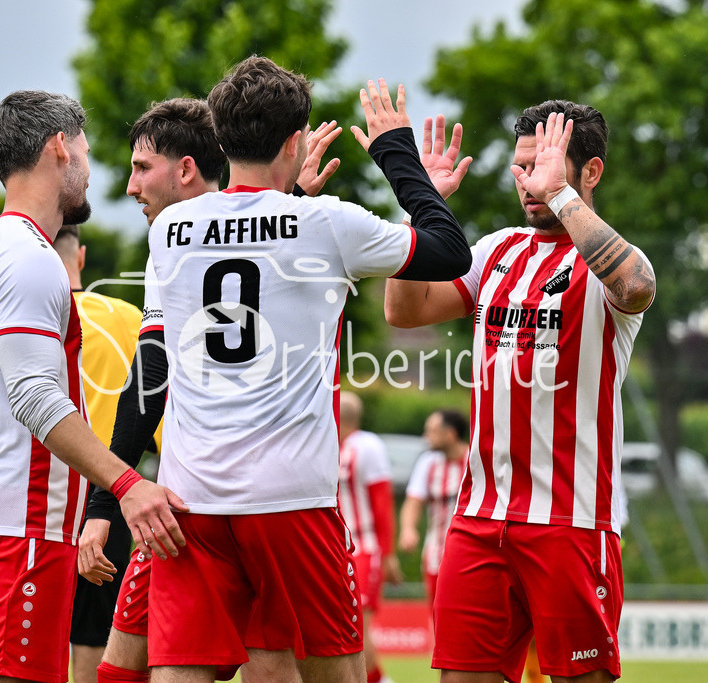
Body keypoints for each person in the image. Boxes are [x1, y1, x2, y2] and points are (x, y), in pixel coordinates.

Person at [141, 56, 471, 682]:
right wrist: (402, 158)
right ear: (296, 141)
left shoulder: (169, 228)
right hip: (290, 497)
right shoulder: (328, 224)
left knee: (181, 670)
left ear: (219, 138)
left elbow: (250, 237)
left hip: (193, 494)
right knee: (335, 672)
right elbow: (448, 250)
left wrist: (290, 198)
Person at [384, 101, 656, 682]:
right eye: (523, 167)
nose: (529, 182)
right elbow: (404, 311)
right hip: (478, 520)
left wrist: (563, 198)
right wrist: (421, 208)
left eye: (546, 166)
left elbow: (636, 288)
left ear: (591, 172)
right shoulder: (497, 249)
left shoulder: (608, 263)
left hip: (570, 524)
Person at [77, 97, 342, 683]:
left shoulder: (181, 241)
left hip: (229, 499)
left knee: (253, 661)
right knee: (127, 660)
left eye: (141, 168)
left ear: (188, 168)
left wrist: (103, 503)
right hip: (203, 498)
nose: (130, 187)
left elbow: (150, 378)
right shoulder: (186, 242)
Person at [0, 89, 186, 683]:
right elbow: (34, 397)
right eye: (83, 146)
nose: (90, 164)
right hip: (22, 521)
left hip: (9, 517)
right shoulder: (29, 257)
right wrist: (127, 483)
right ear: (59, 148)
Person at [52, 225, 145, 683]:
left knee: (36, 632)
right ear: (81, 257)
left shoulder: (27, 315)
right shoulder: (125, 316)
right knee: (96, 631)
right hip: (111, 489)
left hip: (41, 491)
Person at [337, 391, 401, 683]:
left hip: (364, 548)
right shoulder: (332, 447)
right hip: (337, 549)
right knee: (343, 626)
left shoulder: (367, 445)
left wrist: (388, 555)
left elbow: (382, 504)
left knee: (358, 626)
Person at [398, 409, 469, 616]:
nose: (425, 437)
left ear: (450, 434)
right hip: (436, 555)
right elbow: (413, 501)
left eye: (431, 431)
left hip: (470, 556)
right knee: (438, 616)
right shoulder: (428, 462)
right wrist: (408, 529)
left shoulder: (474, 460)